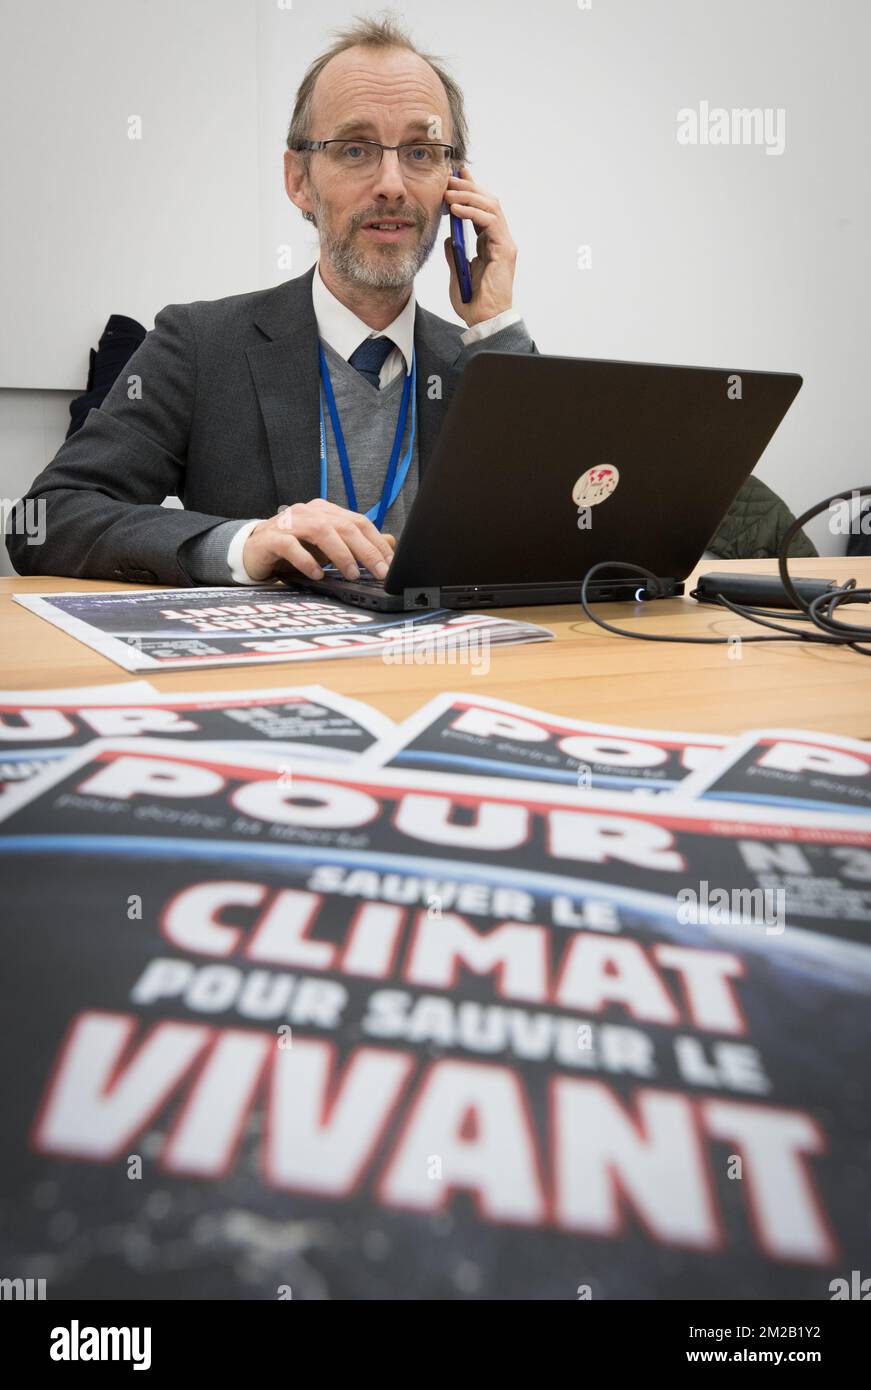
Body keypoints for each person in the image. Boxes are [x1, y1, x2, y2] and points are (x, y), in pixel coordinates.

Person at [7, 16, 536, 588]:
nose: (391, 183)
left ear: (455, 186)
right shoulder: (199, 344)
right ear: (299, 180)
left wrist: (496, 325)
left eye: (421, 152)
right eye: (356, 150)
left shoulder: (479, 361)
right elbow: (45, 519)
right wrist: (242, 544)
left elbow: (566, 529)